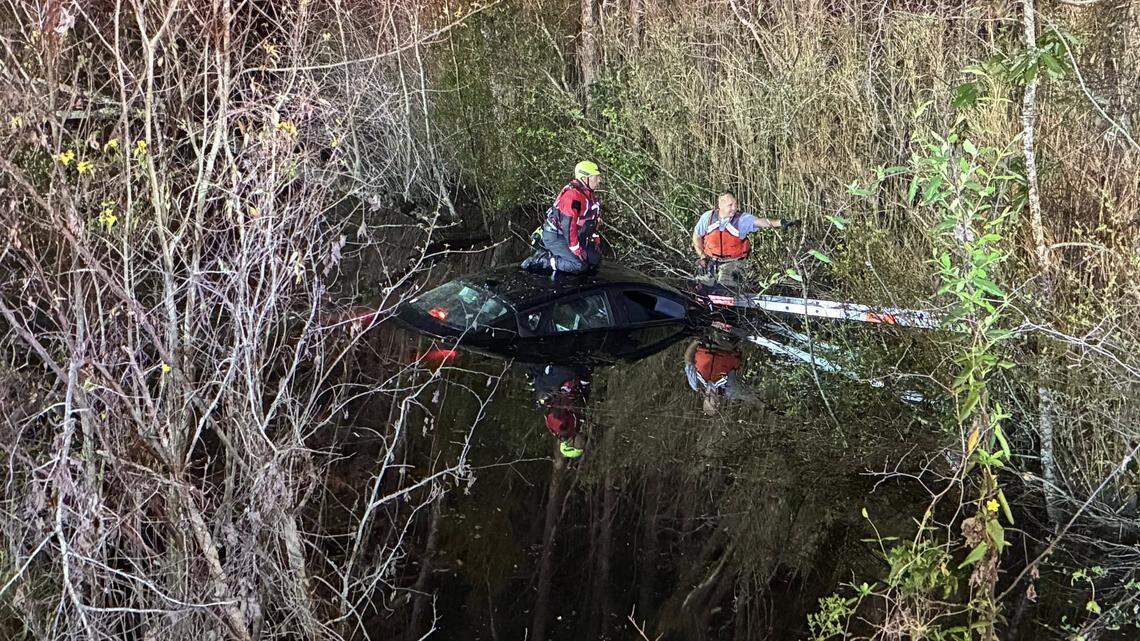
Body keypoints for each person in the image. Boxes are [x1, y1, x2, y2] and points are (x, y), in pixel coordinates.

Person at [692, 192, 799, 290]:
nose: (734, 208)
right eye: (730, 205)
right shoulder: (708, 217)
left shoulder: (742, 219)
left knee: (724, 291)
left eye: (735, 204)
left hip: (733, 263)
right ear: (720, 205)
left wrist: (780, 222)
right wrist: (702, 256)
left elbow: (760, 222)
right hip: (710, 261)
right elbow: (696, 236)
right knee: (701, 288)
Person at [521, 161, 604, 274]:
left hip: (570, 235)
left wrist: (594, 239)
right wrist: (577, 250)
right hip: (556, 236)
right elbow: (568, 226)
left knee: (594, 259)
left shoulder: (588, 194)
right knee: (578, 265)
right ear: (585, 178)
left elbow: (590, 221)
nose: (599, 180)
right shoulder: (573, 197)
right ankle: (542, 260)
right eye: (596, 177)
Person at [683, 338, 751, 415]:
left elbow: (688, 360)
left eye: (714, 405)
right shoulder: (727, 389)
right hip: (728, 346)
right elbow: (736, 367)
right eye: (718, 406)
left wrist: (695, 342)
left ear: (706, 401)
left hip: (707, 342)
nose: (718, 404)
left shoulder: (696, 384)